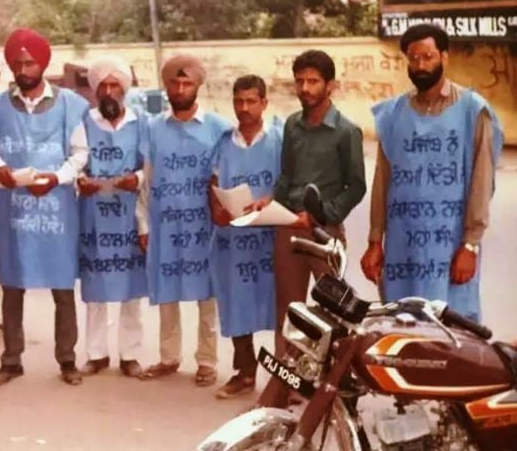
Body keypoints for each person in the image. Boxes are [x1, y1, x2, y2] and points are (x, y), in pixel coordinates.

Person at [360, 24, 504, 321]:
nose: (421, 65)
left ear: (444, 57)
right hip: (403, 249)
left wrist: (470, 245)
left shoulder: (472, 111)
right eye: (414, 58)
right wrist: (375, 242)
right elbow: (382, 182)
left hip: (450, 249)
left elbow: (481, 182)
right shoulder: (393, 114)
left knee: (452, 333)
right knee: (403, 331)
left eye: (428, 56)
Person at [0, 28, 89, 386]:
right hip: (15, 207)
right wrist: (1, 171)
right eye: (18, 62)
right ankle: (11, 359)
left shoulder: (70, 104)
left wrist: (57, 178)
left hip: (56, 207)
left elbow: (80, 154)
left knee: (62, 288)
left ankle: (67, 360)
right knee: (13, 285)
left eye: (30, 62)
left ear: (43, 64)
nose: (24, 68)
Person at [138, 55, 231, 387]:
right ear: (166, 87)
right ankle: (168, 357)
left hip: (203, 227)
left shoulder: (219, 128)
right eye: (174, 83)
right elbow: (145, 181)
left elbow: (225, 178)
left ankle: (207, 360)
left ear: (198, 86)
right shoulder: (152, 128)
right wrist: (143, 224)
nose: (180, 88)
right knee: (167, 294)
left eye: (186, 83)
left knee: (208, 296)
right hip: (165, 226)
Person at [272, 50, 365, 360]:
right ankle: (285, 384)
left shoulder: (346, 131)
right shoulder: (291, 126)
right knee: (289, 309)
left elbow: (357, 186)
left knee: (332, 311)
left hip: (326, 234)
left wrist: (323, 216)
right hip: (289, 230)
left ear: (330, 86)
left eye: (313, 81)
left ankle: (331, 387)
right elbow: (286, 176)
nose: (305, 89)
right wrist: (271, 205)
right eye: (300, 81)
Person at [208, 75, 281, 398]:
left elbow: (289, 182)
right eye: (239, 101)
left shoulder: (279, 140)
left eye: (251, 101)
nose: (244, 108)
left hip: (270, 238)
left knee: (279, 307)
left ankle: (285, 379)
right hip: (235, 241)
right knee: (237, 304)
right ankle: (244, 371)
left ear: (264, 103)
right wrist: (217, 211)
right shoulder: (224, 143)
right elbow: (212, 183)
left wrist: (270, 201)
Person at [78, 55, 148, 379]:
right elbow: (75, 159)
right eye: (102, 86)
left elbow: (149, 165)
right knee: (96, 286)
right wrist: (82, 182)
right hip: (94, 214)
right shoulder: (84, 121)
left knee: (132, 288)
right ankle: (96, 353)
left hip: (129, 214)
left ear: (124, 90)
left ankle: (130, 355)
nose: (108, 91)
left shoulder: (141, 121)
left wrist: (137, 179)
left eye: (114, 85)